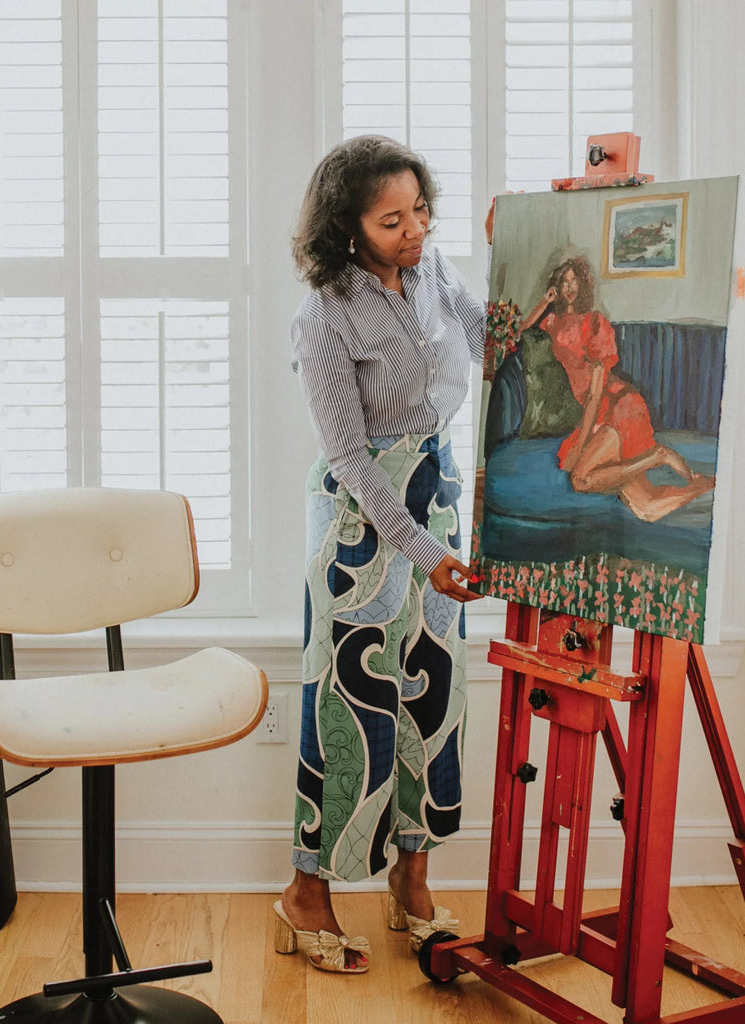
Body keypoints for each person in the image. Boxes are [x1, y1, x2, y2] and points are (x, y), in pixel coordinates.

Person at [276, 135, 490, 974]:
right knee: (348, 711)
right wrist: (421, 548)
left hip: (437, 500)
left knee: (434, 695)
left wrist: (518, 248)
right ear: (349, 227)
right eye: (392, 220)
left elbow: (492, 339)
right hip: (361, 526)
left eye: (421, 210)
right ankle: (307, 895)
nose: (415, 230)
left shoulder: (435, 274)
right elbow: (351, 458)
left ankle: (413, 878)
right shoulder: (323, 313)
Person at [520, 255, 714, 522]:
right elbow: (521, 329)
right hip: (598, 414)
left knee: (581, 479)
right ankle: (699, 485)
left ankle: (657, 456)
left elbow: (595, 393)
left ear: (583, 287)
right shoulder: (553, 322)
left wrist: (583, 441)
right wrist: (546, 300)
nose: (569, 288)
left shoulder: (596, 323)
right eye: (564, 282)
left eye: (574, 282)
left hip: (618, 406)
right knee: (646, 509)